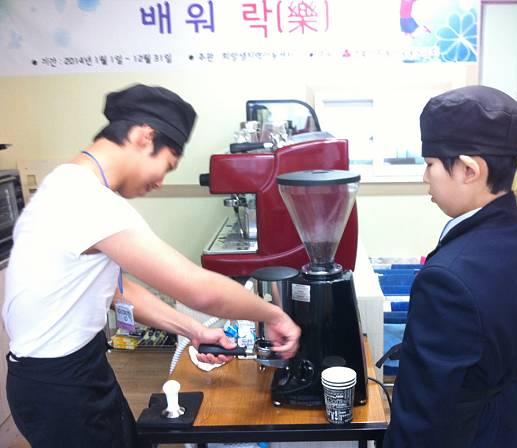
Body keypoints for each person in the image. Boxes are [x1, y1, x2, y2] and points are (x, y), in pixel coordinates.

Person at [2, 84, 301, 447]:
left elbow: (117, 291)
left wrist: (194, 330)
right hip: (59, 386)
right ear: (145, 137)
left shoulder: (68, 186)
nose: (160, 182)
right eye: (167, 166)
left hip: (72, 371)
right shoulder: (84, 199)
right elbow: (199, 290)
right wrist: (274, 315)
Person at [383, 85, 517, 447]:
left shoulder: (447, 280)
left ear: (469, 169)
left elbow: (424, 412)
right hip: (512, 421)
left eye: (430, 164)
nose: (425, 177)